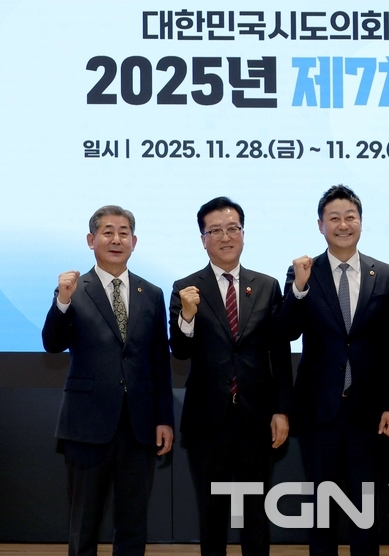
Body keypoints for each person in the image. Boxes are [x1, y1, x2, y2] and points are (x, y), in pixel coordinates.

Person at [279, 184, 389, 556]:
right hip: (319, 410)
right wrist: (299, 288)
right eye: (333, 218)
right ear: (321, 225)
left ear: (361, 222)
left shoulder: (384, 274)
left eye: (350, 217)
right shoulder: (304, 272)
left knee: (365, 512)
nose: (343, 225)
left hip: (369, 411)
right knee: (321, 511)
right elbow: (285, 331)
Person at [42, 205, 174, 556]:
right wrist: (62, 301)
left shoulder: (152, 293)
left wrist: (164, 418)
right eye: (108, 232)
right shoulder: (73, 289)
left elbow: (159, 362)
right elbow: (52, 344)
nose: (116, 239)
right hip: (86, 424)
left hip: (138, 425)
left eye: (123, 232)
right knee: (84, 522)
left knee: (133, 522)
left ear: (134, 241)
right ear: (91, 240)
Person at [169, 197, 292, 556]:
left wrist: (282, 409)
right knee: (212, 514)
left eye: (232, 228)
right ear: (203, 239)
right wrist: (187, 315)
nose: (225, 237)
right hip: (208, 420)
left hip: (256, 418)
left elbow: (279, 354)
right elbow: (180, 350)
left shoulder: (267, 285)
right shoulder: (186, 288)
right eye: (215, 231)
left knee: (255, 514)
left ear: (243, 233)